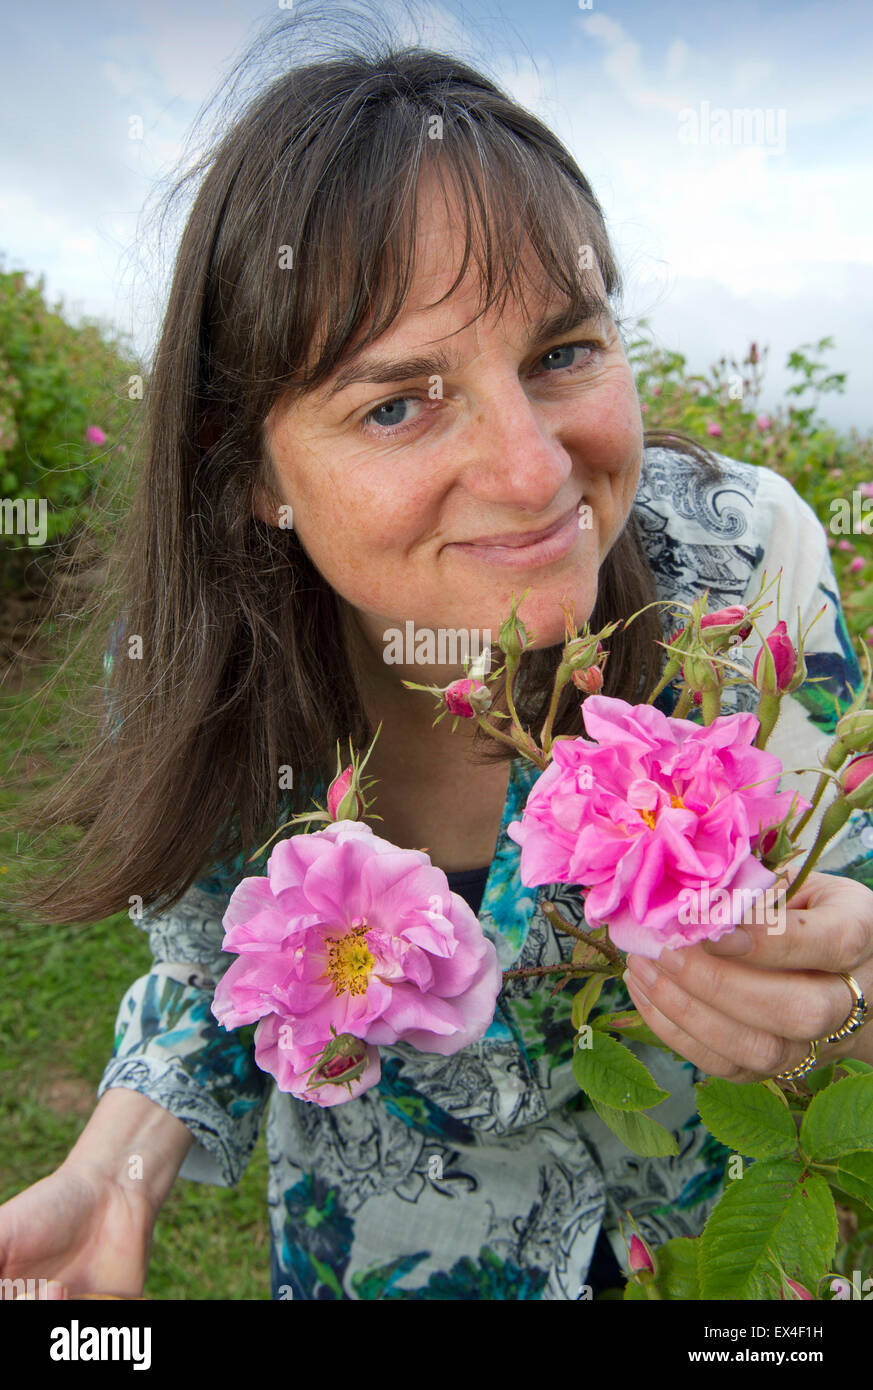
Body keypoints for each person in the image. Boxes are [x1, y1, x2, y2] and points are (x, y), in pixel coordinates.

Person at [2, 10, 872, 1302]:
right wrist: (118, 1168)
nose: (532, 476)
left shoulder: (743, 574)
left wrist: (845, 996)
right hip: (388, 1251)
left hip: (709, 1247)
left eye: (562, 351)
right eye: (395, 402)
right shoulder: (194, 664)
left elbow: (842, 883)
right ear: (248, 470)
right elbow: (221, 969)